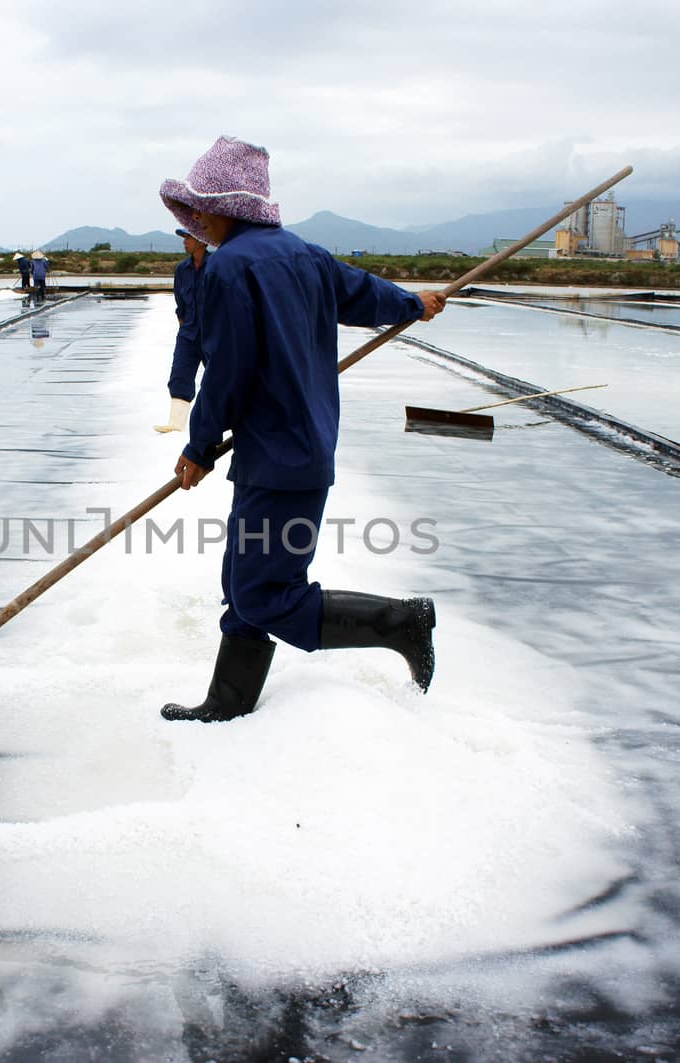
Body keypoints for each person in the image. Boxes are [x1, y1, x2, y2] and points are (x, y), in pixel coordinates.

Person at [156, 135, 447, 724]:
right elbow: (365, 294)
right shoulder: (305, 255)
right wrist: (412, 303)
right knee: (243, 581)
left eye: (199, 208)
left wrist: (199, 448)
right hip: (292, 452)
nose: (195, 220)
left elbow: (229, 374)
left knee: (266, 592)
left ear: (222, 207)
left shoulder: (230, 269)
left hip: (280, 459)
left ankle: (401, 623)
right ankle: (225, 704)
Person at [155, 228, 209, 433]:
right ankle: (175, 423)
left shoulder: (216, 266)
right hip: (188, 333)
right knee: (179, 375)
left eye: (188, 237)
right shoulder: (181, 269)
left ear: (201, 241)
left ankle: (220, 426)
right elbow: (180, 304)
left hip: (212, 334)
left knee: (216, 379)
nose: (184, 242)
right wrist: (184, 328)